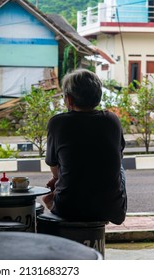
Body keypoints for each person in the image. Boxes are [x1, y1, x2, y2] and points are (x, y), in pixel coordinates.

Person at [43, 69, 127, 225]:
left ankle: (55, 204)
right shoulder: (112, 120)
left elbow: (54, 166)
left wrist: (56, 179)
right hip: (110, 208)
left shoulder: (57, 123)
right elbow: (117, 155)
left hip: (68, 208)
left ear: (68, 99)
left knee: (56, 187)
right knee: (120, 168)